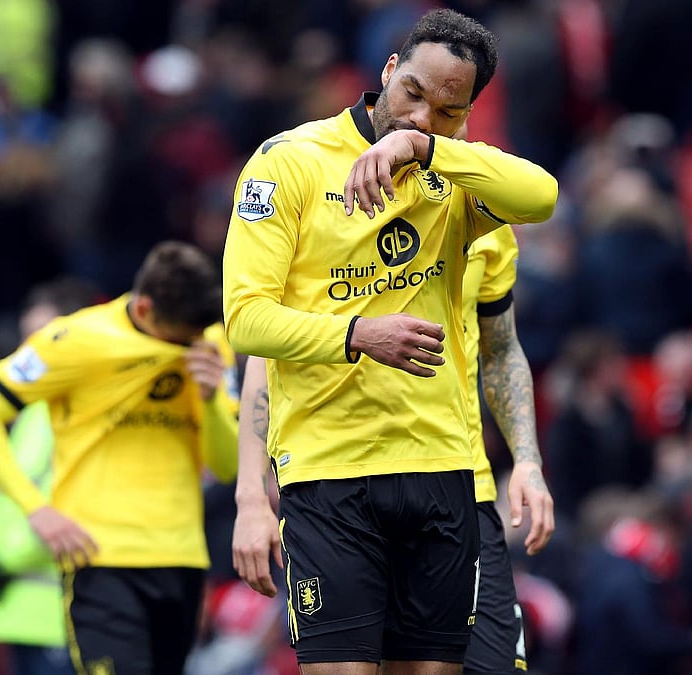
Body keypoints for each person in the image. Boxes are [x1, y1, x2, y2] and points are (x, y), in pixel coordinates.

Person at [221, 8, 558, 674]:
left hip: (442, 470)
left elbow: (542, 195)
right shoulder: (288, 163)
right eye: (413, 94)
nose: (422, 116)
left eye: (448, 111)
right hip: (328, 471)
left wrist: (424, 149)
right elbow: (248, 325)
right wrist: (356, 334)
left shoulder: (461, 181)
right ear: (388, 71)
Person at [234, 221, 556, 675]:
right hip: (340, 487)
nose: (458, 143)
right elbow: (264, 356)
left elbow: (501, 348)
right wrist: (251, 496)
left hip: (459, 487)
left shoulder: (481, 208)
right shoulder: (321, 192)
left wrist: (527, 458)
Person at [0, 241, 239, 675]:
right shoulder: (75, 341)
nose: (186, 345)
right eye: (179, 337)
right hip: (101, 560)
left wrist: (212, 399)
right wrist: (36, 509)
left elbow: (227, 464)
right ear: (143, 310)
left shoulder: (208, 343)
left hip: (181, 557)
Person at [0, 277, 100, 675]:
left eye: (42, 338)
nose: (29, 353)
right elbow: (4, 494)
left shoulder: (85, 412)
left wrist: (0, 558)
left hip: (61, 619)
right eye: (27, 339)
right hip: (15, 612)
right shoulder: (33, 412)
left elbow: (69, 505)